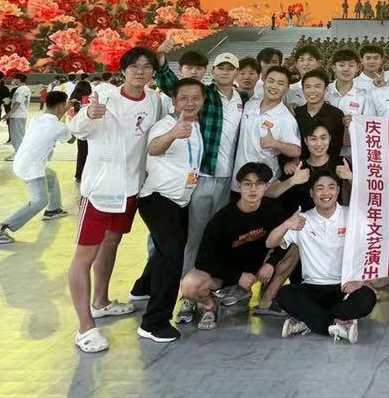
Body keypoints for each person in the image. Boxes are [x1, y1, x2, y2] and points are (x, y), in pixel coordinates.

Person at [67, 47, 167, 354]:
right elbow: (76, 129)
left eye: (146, 66)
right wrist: (88, 114)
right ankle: (85, 327)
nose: (140, 71)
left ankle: (101, 301)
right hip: (100, 190)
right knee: (85, 255)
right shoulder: (105, 97)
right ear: (123, 70)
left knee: (111, 242)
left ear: (153, 73)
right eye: (134, 66)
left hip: (130, 189)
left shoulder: (154, 101)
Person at [134, 78, 210, 344]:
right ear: (174, 101)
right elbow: (154, 149)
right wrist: (172, 135)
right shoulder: (165, 125)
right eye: (183, 98)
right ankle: (153, 322)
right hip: (157, 199)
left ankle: (141, 288)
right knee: (173, 256)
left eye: (195, 98)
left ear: (202, 101)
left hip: (181, 202)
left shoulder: (199, 126)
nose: (189, 103)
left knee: (165, 250)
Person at [269, 172, 378, 343]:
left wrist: (361, 280)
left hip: (344, 287)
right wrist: (286, 225)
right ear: (312, 193)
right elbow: (270, 242)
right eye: (320, 188)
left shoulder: (352, 216)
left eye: (331, 187)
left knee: (367, 298)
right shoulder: (302, 219)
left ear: (338, 191)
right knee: (284, 294)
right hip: (311, 288)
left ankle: (309, 321)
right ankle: (337, 323)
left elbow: (373, 244)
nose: (326, 193)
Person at [180, 162, 287, 329]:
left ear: (266, 186)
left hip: (257, 269)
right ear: (239, 186)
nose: (253, 189)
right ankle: (210, 305)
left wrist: (270, 263)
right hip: (226, 273)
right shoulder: (223, 218)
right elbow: (203, 261)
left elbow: (285, 241)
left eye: (259, 184)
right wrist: (238, 277)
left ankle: (265, 299)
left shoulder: (272, 209)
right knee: (190, 285)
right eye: (247, 184)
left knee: (293, 249)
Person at [0, 91, 73, 243]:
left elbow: (53, 120)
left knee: (51, 175)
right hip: (32, 169)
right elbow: (71, 139)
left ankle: (53, 209)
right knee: (39, 202)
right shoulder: (59, 127)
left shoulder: (37, 119)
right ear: (61, 106)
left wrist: (64, 109)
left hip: (21, 162)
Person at [239, 65, 302, 178]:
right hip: (239, 174)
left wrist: (275, 143)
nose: (274, 86)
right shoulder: (249, 105)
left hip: (264, 179)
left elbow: (296, 150)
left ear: (287, 88)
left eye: (280, 83)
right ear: (264, 83)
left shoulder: (286, 118)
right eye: (271, 81)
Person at [4, 74, 31, 158]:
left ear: (18, 80)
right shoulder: (26, 88)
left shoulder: (20, 89)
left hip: (17, 115)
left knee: (16, 136)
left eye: (14, 79)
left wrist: (8, 114)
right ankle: (20, 152)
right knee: (20, 135)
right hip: (22, 114)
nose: (13, 81)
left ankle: (18, 153)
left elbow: (17, 103)